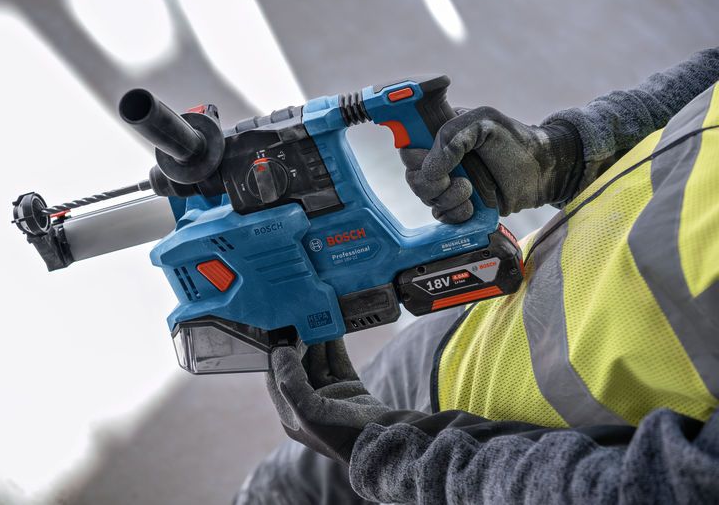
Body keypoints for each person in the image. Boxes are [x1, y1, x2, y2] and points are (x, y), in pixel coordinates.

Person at [236, 47, 719, 504]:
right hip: (475, 326)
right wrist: (570, 150)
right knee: (279, 490)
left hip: (477, 468)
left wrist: (400, 458)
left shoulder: (415, 456)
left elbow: (649, 491)